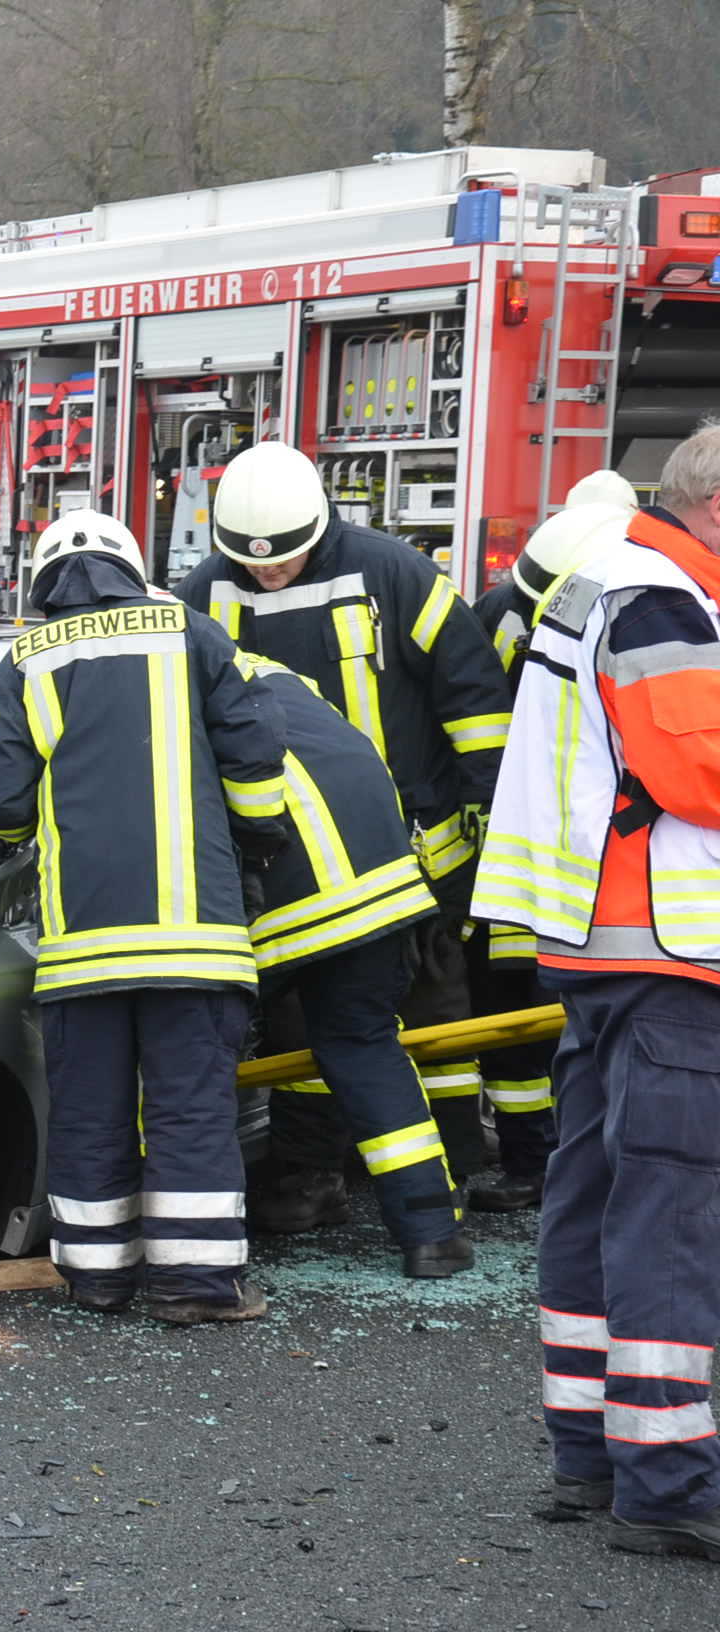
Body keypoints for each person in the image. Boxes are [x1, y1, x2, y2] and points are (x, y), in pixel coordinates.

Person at [476, 427, 720, 1558]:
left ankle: (590, 1450)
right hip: (670, 955)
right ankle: (668, 1485)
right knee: (669, 1216)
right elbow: (697, 767)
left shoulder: (607, 574)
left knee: (592, 1202)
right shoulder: (662, 595)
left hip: (602, 951)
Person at [0, 509, 288, 1325]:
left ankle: (99, 1279)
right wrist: (252, 837)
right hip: (197, 938)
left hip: (85, 952)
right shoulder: (194, 633)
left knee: (91, 1109)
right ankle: (194, 1287)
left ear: (42, 583)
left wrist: (29, 833)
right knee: (189, 1107)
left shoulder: (27, 659)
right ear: (133, 567)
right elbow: (256, 755)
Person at [177, 441, 512, 1227]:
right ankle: (316, 1175)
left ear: (320, 528)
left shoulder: (395, 574)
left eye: (285, 561)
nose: (268, 574)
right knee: (307, 1027)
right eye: (252, 564)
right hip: (289, 856)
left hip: (417, 845)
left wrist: (488, 816)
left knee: (435, 1010)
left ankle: (457, 1158)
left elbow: (475, 703)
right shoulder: (202, 595)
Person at [229, 651, 471, 1278]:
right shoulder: (279, 673)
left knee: (193, 1059)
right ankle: (431, 1234)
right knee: (363, 1048)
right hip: (383, 894)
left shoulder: (169, 695)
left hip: (293, 906)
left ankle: (189, 1238)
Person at [462, 477, 639, 1212]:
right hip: (573, 861)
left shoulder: (508, 608)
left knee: (530, 1015)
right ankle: (551, 1162)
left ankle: (540, 1161)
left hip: (535, 855)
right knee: (537, 1017)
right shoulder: (632, 606)